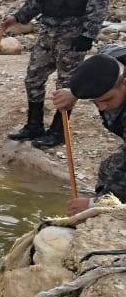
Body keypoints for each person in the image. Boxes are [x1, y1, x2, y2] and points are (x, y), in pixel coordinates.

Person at [2, 0, 109, 148]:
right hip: (47, 32)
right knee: (33, 78)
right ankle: (34, 126)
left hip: (72, 36)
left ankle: (58, 132)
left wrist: (88, 35)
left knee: (66, 86)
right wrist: (18, 17)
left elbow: (99, 3)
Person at [53, 49, 126, 215]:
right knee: (108, 168)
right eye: (96, 101)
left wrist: (95, 204)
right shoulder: (112, 57)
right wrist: (75, 93)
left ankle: (112, 211)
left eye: (107, 100)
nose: (102, 107)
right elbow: (92, 72)